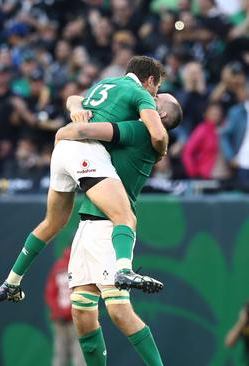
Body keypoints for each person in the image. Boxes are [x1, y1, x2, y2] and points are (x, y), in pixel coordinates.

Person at [0, 56, 168, 303]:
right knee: (125, 216)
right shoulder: (141, 93)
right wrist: (161, 151)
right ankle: (123, 270)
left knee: (53, 222)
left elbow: (73, 98)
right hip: (85, 149)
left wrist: (75, 109)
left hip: (63, 150)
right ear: (150, 80)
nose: (155, 93)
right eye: (157, 88)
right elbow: (158, 134)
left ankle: (12, 282)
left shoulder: (106, 83)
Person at [51, 93, 182, 366]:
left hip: (108, 225)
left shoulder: (137, 130)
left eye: (154, 101)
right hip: (88, 222)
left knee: (119, 310)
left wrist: (76, 112)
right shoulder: (145, 132)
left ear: (162, 117)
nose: (147, 100)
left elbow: (79, 130)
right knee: (82, 313)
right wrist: (76, 103)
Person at [45, 248, 86, 366]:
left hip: (60, 318)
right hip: (76, 317)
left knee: (60, 355)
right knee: (79, 355)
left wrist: (58, 312)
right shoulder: (81, 266)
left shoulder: (58, 266)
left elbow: (50, 293)